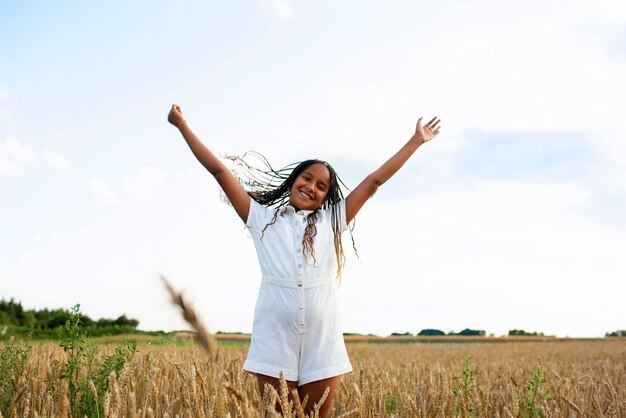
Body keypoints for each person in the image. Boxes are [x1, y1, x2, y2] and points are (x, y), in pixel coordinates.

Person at [167, 104, 441, 417]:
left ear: (326, 198)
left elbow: (375, 180)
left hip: (322, 340)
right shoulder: (261, 218)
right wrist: (182, 125)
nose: (311, 187)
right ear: (294, 179)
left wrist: (416, 140)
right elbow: (219, 171)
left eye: (320, 186)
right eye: (307, 178)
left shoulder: (333, 220)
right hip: (274, 336)